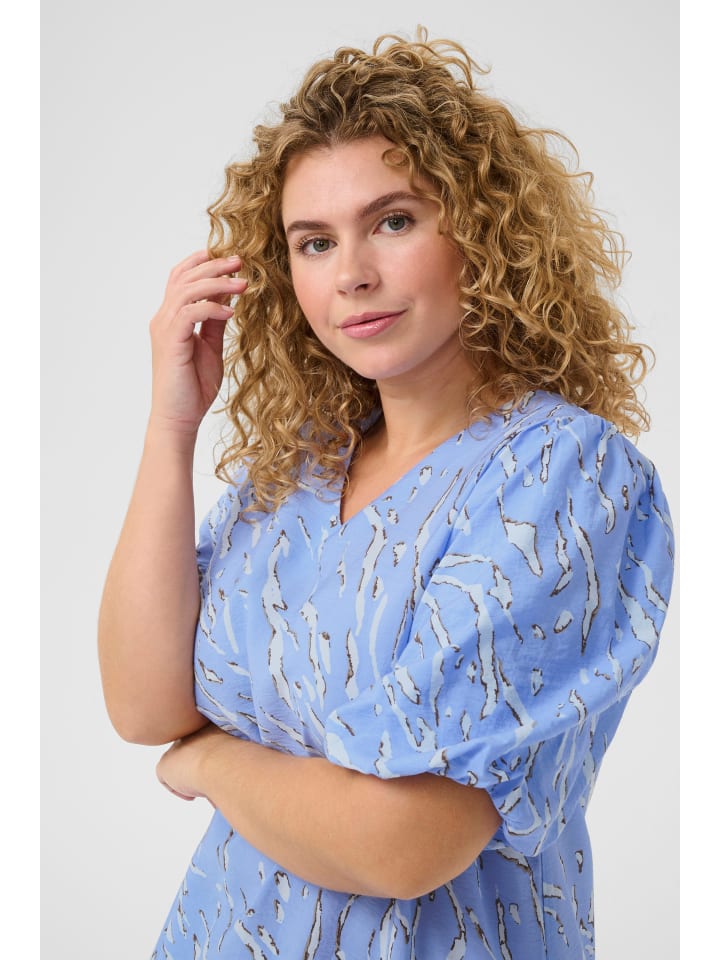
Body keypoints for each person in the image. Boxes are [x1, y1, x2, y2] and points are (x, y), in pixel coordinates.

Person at [98, 28, 674, 960]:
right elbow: (142, 706)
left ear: (481, 232)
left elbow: (405, 844)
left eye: (394, 221)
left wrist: (211, 759)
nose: (352, 273)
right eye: (315, 242)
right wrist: (172, 428)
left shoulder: (564, 476)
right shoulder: (299, 469)